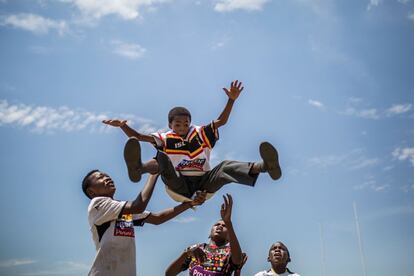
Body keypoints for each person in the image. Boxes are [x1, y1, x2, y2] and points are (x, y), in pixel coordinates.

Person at [103, 80, 282, 202]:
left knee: (225, 166)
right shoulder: (165, 137)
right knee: (162, 158)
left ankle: (264, 166)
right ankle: (138, 168)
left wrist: (231, 100)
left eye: (186, 123)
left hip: (204, 183)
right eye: (178, 124)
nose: (182, 126)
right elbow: (140, 137)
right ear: (170, 124)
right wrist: (122, 126)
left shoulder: (200, 133)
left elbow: (221, 122)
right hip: (178, 185)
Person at [82, 152, 207, 275]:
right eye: (100, 177)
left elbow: (158, 218)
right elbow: (138, 206)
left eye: (107, 175)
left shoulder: (124, 211)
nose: (107, 178)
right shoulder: (98, 204)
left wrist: (190, 203)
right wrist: (153, 174)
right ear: (91, 192)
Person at [165, 194, 247, 276]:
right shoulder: (196, 249)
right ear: (209, 233)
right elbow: (169, 274)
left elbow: (237, 260)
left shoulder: (230, 252)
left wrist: (228, 222)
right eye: (216, 224)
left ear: (230, 237)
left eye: (224, 226)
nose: (220, 226)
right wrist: (186, 254)